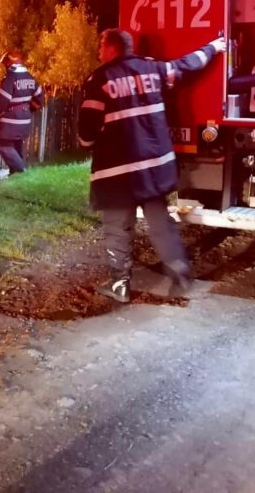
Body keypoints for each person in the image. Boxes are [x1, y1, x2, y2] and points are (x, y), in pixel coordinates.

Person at [78, 28, 226, 302]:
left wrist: (88, 143)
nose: (98, 52)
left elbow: (86, 132)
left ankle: (120, 284)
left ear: (111, 48)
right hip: (153, 168)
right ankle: (180, 273)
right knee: (160, 222)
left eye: (100, 46)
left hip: (117, 173)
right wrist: (214, 47)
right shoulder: (154, 70)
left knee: (117, 226)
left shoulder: (99, 80)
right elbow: (187, 64)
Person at [0, 50, 44, 174]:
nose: (5, 66)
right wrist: (29, 109)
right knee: (16, 144)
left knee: (4, 146)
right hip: (25, 119)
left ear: (10, 63)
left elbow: (1, 101)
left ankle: (21, 171)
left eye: (5, 63)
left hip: (11, 120)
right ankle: (14, 173)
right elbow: (40, 97)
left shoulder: (10, 78)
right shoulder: (29, 77)